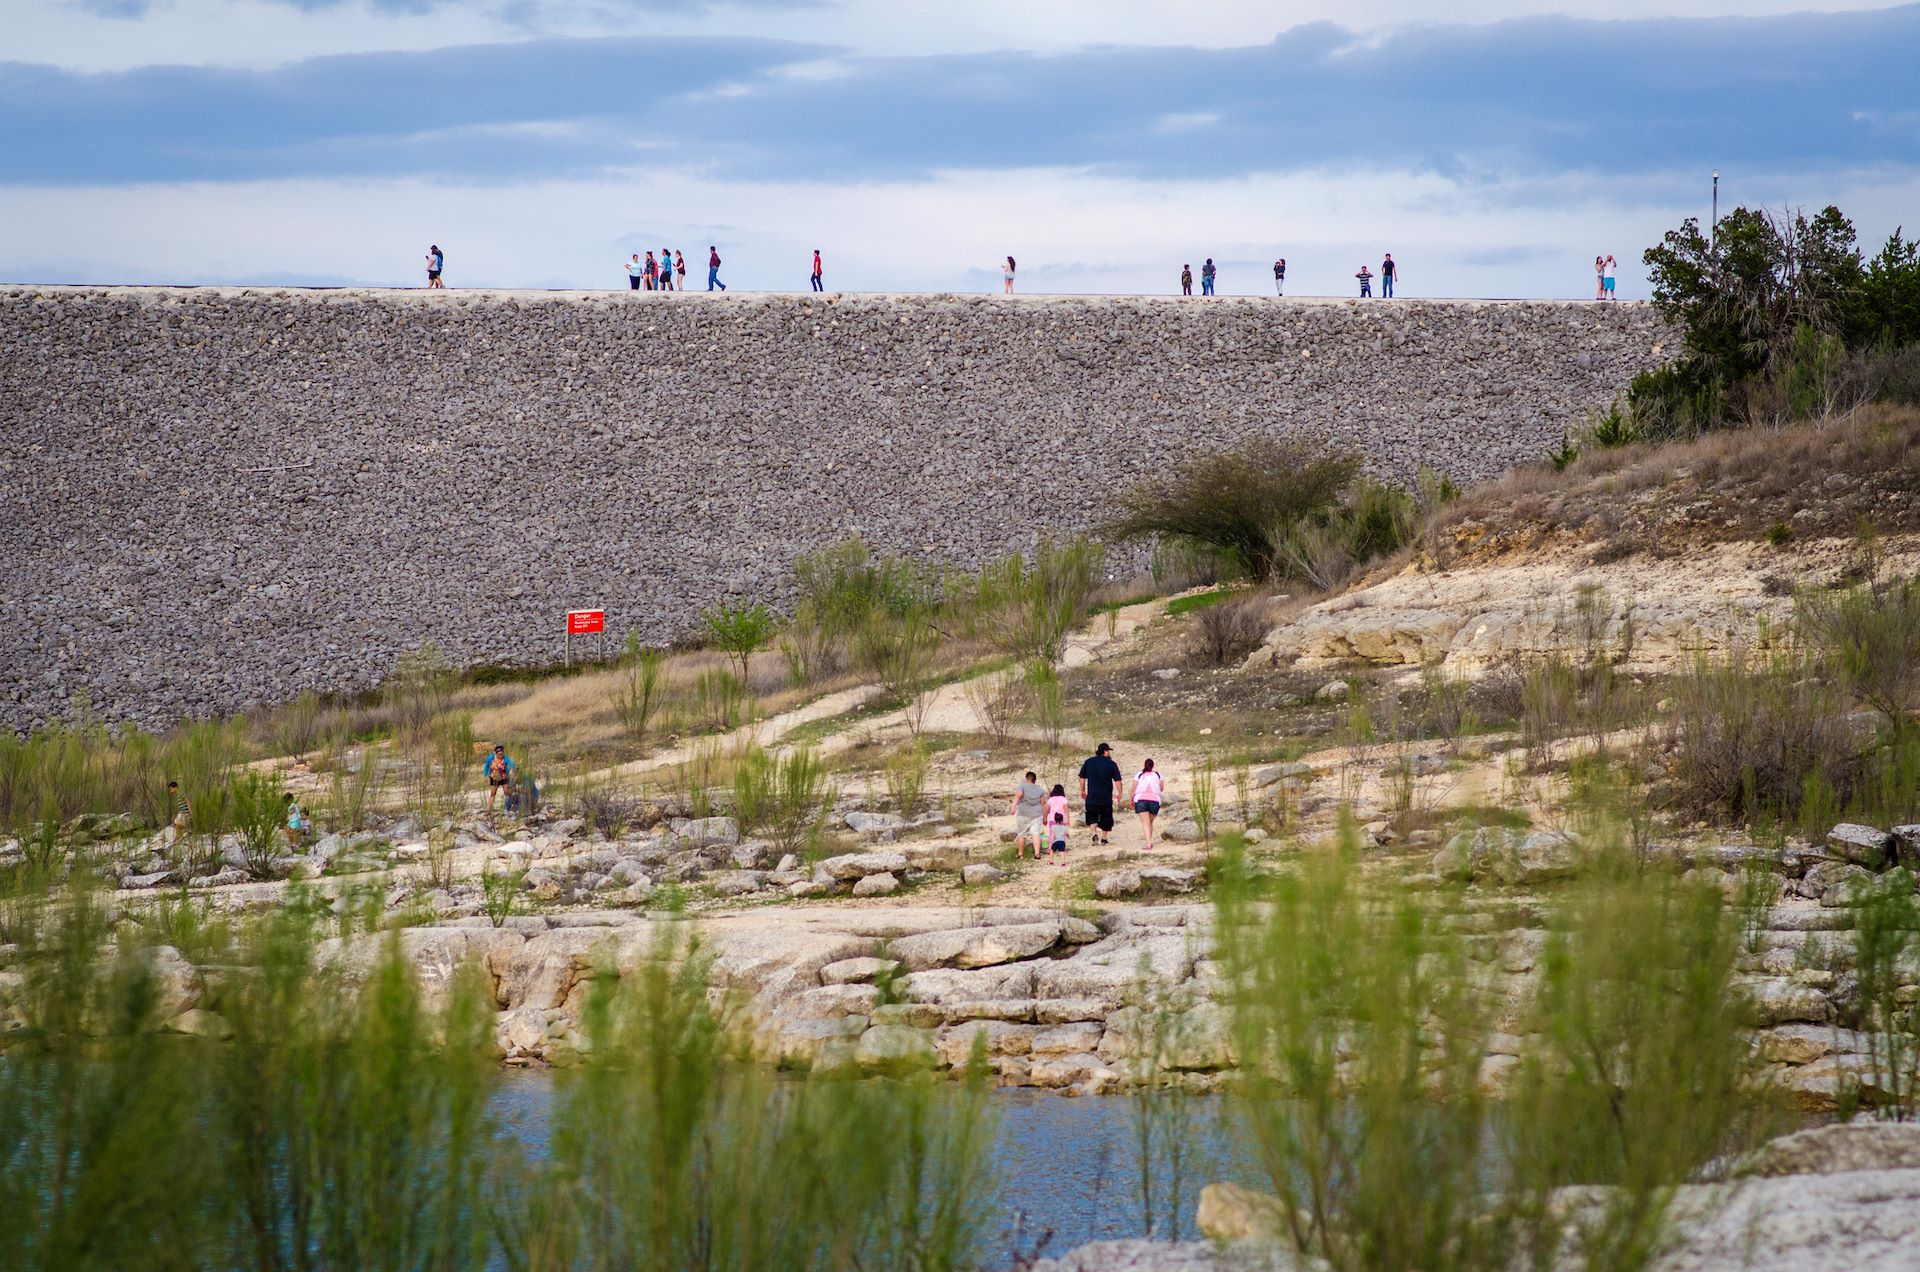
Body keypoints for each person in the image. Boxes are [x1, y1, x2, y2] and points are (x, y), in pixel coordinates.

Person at [1078, 743, 1122, 847]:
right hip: (1105, 797)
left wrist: (1083, 790)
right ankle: (1104, 838)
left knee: (1092, 816)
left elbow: (1082, 777)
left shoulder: (1089, 762)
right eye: (1108, 751)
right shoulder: (1111, 764)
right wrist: (1120, 793)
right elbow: (1118, 780)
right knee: (1106, 817)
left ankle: (1094, 833)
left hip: (1092, 796)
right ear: (1105, 751)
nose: (1109, 753)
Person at [1010, 770, 1047, 861]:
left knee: (1022, 834)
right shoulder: (1040, 789)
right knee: (1036, 833)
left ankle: (1020, 854)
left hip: (1023, 813)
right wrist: (1045, 817)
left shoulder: (1022, 786)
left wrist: (1013, 807)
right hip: (1037, 814)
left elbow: (1018, 796)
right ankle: (1037, 854)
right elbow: (1043, 804)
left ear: (1027, 779)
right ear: (1035, 780)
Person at [1131, 758, 1164, 851]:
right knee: (1150, 822)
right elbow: (1161, 788)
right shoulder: (1158, 775)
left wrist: (1131, 799)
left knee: (1146, 823)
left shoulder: (1139, 774)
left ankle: (1148, 843)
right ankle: (1149, 842)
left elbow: (1134, 788)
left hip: (1141, 799)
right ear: (1153, 765)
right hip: (1155, 800)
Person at [482, 744, 517, 812]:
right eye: (499, 754)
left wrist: (513, 770)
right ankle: (489, 809)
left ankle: (507, 807)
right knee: (492, 794)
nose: (501, 756)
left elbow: (512, 764)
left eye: (502, 754)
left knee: (506, 792)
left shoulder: (505, 758)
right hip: (494, 778)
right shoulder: (491, 758)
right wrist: (485, 776)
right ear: (496, 753)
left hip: (503, 777)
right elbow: (486, 766)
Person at [1045, 785, 1072, 862]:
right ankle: (1063, 847)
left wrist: (1045, 818)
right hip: (1062, 818)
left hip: (1052, 819)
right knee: (1062, 833)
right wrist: (1068, 819)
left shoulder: (1050, 799)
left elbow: (1046, 809)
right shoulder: (1064, 799)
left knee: (1052, 833)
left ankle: (1050, 848)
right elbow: (1066, 810)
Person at [164, 780, 190, 846]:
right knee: (176, 824)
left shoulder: (181, 793)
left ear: (175, 787)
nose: (171, 791)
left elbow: (188, 802)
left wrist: (190, 812)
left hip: (184, 813)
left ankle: (180, 837)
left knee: (179, 825)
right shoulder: (178, 795)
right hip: (181, 813)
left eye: (171, 789)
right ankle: (179, 837)